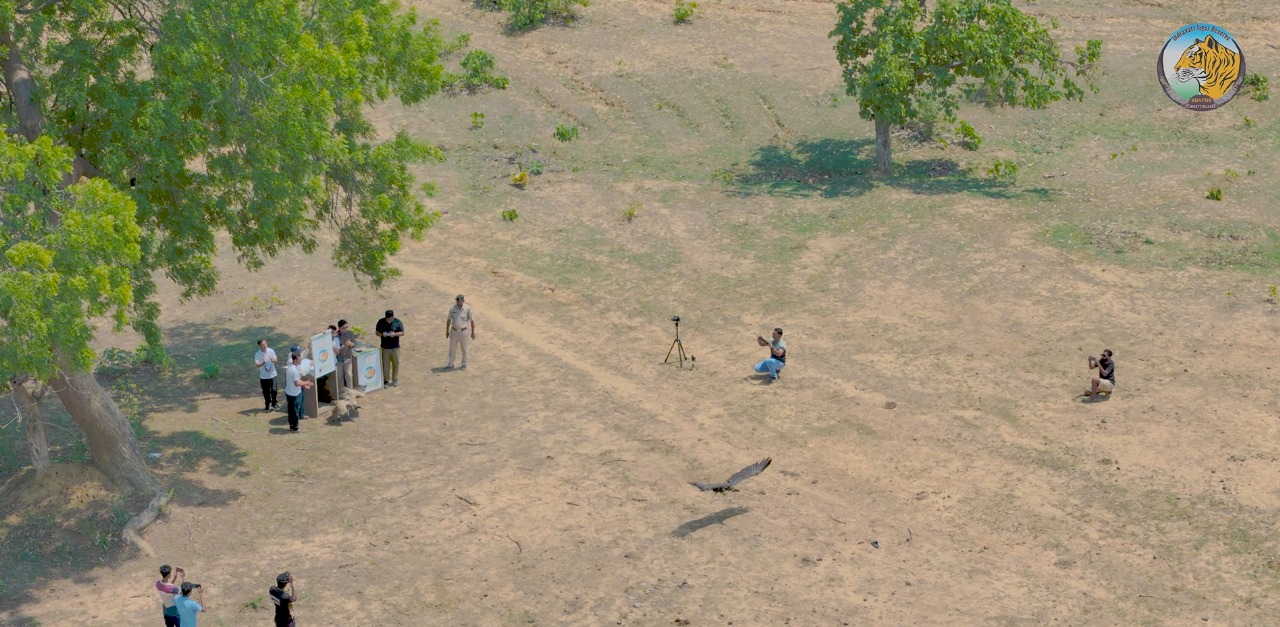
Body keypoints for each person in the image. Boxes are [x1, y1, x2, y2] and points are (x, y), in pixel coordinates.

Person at [445, 294, 476, 370]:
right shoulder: (452, 308)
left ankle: (464, 364)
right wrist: (447, 330)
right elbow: (449, 320)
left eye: (460, 301)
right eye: (457, 301)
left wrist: (473, 332)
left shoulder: (467, 308)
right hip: (454, 331)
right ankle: (451, 364)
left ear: (463, 300)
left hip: (463, 331)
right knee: (452, 348)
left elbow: (472, 321)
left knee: (464, 348)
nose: (458, 302)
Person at [284, 352, 312, 432]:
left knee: (291, 411)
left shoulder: (292, 367)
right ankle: (295, 428)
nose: (301, 360)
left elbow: (297, 380)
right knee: (295, 411)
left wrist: (303, 384)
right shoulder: (294, 370)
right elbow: (297, 383)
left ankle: (292, 426)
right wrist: (306, 382)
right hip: (294, 394)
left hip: (290, 392)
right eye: (300, 359)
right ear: (295, 359)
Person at [376, 309, 404, 386]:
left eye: (390, 319)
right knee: (386, 365)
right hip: (385, 348)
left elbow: (402, 333)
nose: (388, 321)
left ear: (393, 317)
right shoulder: (381, 322)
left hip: (395, 348)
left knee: (396, 364)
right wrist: (382, 334)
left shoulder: (398, 322)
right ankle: (386, 380)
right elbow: (377, 332)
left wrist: (394, 334)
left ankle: (395, 379)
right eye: (387, 319)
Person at [254, 340, 280, 413]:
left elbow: (276, 360)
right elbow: (257, 365)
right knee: (266, 392)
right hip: (264, 377)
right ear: (259, 346)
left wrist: (272, 360)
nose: (264, 346)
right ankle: (267, 405)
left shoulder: (271, 351)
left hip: (273, 375)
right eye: (262, 345)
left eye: (265, 344)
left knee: (274, 390)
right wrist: (263, 361)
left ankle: (274, 403)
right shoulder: (257, 354)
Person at [335, 319, 356, 387]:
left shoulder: (350, 334)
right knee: (339, 376)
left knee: (349, 375)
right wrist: (345, 346)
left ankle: (350, 392)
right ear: (339, 328)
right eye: (343, 328)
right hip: (339, 360)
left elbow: (354, 344)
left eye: (346, 327)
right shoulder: (336, 337)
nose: (345, 329)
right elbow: (336, 350)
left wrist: (351, 344)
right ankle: (342, 392)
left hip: (348, 358)